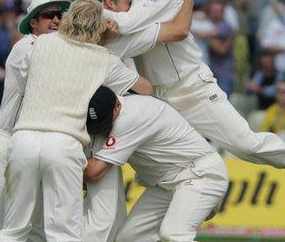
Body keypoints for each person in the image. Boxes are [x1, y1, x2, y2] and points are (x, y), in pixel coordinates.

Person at [101, 0, 285, 188]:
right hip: (159, 98)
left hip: (191, 89)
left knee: (245, 144)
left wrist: (88, 12)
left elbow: (126, 23)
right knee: (154, 170)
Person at [0, 0, 153, 242]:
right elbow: (146, 89)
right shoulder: (103, 59)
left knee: (13, 231)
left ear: (67, 20)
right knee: (64, 235)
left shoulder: (43, 43)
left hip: (23, 138)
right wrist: (107, 43)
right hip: (64, 143)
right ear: (98, 27)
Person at [88, 0, 195, 242]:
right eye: (128, 5)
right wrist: (188, 0)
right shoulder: (108, 53)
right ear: (110, 5)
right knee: (101, 221)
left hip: (88, 132)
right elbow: (147, 87)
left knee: (110, 221)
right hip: (103, 131)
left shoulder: (66, 40)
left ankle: (190, 195)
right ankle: (192, 195)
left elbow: (178, 31)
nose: (133, 11)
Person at [0, 0, 70, 242]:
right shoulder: (25, 46)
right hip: (7, 140)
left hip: (34, 146)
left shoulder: (60, 51)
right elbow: (42, 62)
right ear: (33, 23)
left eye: (60, 15)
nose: (57, 20)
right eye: (49, 16)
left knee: (35, 225)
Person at [84, 87, 228, 242]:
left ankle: (200, 203)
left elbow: (93, 172)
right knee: (129, 238)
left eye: (106, 121)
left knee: (174, 234)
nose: (104, 129)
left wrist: (63, 169)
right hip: (167, 185)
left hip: (200, 174)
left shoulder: (130, 117)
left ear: (117, 104)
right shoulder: (123, 110)